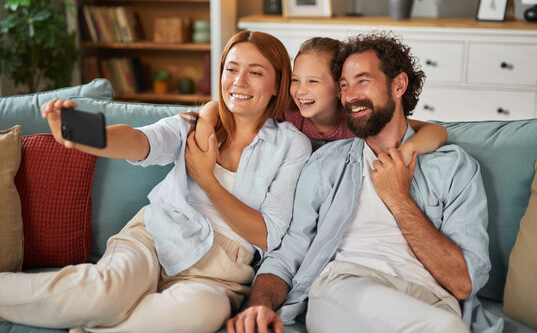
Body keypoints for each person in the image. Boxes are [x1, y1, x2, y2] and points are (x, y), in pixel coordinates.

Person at [0, 31, 312, 333]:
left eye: (255, 72)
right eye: (231, 69)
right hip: (156, 236)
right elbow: (141, 141)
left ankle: (88, 321)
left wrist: (207, 180)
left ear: (277, 85)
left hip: (221, 271)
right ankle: (88, 308)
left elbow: (267, 234)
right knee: (106, 292)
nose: (239, 82)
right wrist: (79, 131)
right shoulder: (193, 124)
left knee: (203, 313)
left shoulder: (290, 145)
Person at [226, 32, 503, 333]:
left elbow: (463, 283)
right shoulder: (326, 164)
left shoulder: (454, 168)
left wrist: (398, 198)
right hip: (347, 284)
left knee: (446, 323)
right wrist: (259, 304)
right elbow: (288, 251)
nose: (350, 95)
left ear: (398, 85)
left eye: (363, 81)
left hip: (433, 299)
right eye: (344, 85)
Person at [197, 37, 447, 162]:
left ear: (339, 88)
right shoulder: (287, 109)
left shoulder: (355, 118)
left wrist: (407, 151)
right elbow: (222, 108)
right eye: (296, 80)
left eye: (313, 82)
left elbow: (437, 131)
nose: (300, 91)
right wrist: (205, 122)